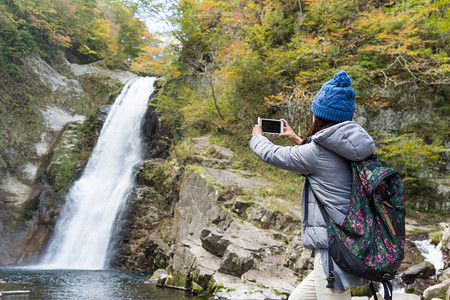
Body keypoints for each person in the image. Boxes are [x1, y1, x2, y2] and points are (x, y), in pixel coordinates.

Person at [250, 71, 375, 300]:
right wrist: (298, 139)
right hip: (348, 242)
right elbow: (325, 163)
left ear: (320, 116)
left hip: (332, 249)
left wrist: (258, 137)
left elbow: (274, 154)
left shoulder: (316, 154)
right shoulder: (352, 146)